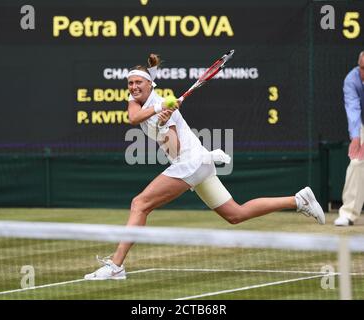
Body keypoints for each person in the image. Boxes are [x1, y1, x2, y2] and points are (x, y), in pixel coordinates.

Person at [84, 53, 325, 280]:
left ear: (150, 85)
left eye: (138, 83)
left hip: (190, 162)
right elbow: (133, 118)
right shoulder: (140, 101)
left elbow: (175, 149)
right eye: (130, 83)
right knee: (235, 214)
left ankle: (116, 266)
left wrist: (163, 125)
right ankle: (298, 200)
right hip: (198, 163)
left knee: (140, 204)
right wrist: (159, 113)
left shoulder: (161, 105)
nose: (133, 87)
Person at [334, 51, 364, 227]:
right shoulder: (351, 80)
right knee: (357, 161)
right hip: (362, 124)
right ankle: (348, 213)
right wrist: (356, 137)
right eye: (362, 68)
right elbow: (353, 109)